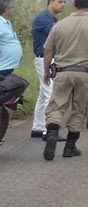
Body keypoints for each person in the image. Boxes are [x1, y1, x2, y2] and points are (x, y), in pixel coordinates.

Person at [42, 0, 88, 159]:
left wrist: (46, 71)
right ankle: (70, 147)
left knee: (57, 105)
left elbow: (48, 50)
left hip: (63, 72)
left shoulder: (60, 25)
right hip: (84, 74)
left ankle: (52, 133)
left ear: (74, 5)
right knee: (79, 108)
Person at [32, 0, 68, 137]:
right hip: (44, 58)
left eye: (64, 2)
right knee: (51, 93)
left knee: (43, 94)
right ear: (51, 2)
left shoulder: (52, 19)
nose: (63, 4)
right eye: (60, 1)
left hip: (46, 58)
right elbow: (58, 35)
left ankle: (38, 127)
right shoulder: (43, 18)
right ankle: (49, 131)